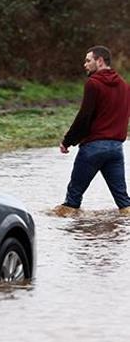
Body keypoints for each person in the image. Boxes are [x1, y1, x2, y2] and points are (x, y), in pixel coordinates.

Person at [55, 45, 130, 216]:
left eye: (88, 60)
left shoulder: (93, 84)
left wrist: (67, 141)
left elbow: (84, 117)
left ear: (100, 61)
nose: (85, 64)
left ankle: (72, 239)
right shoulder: (125, 86)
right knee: (125, 204)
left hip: (93, 149)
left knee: (71, 204)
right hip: (116, 150)